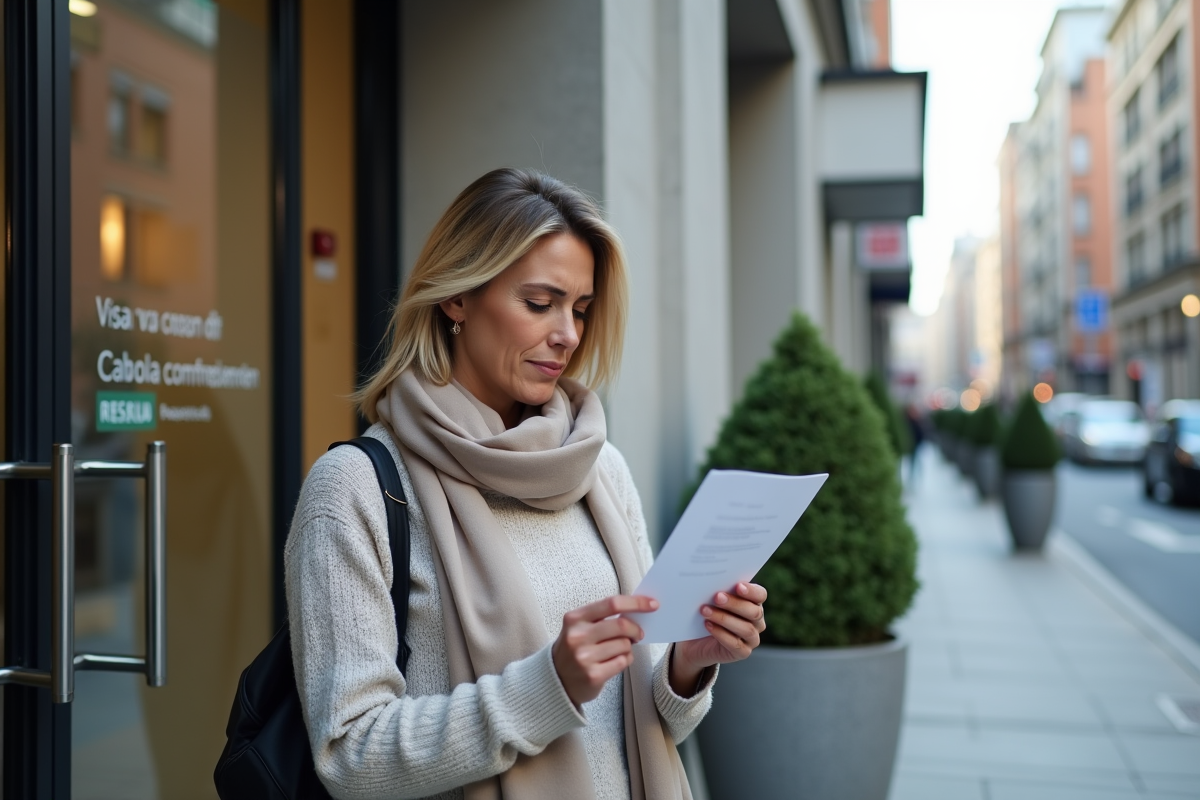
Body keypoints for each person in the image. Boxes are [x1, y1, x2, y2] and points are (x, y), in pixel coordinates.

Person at [285, 167, 768, 800]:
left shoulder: (599, 469)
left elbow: (655, 725)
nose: (568, 334)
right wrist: (547, 688)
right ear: (456, 298)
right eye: (539, 303)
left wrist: (687, 666)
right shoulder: (354, 489)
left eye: (581, 309)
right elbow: (349, 754)